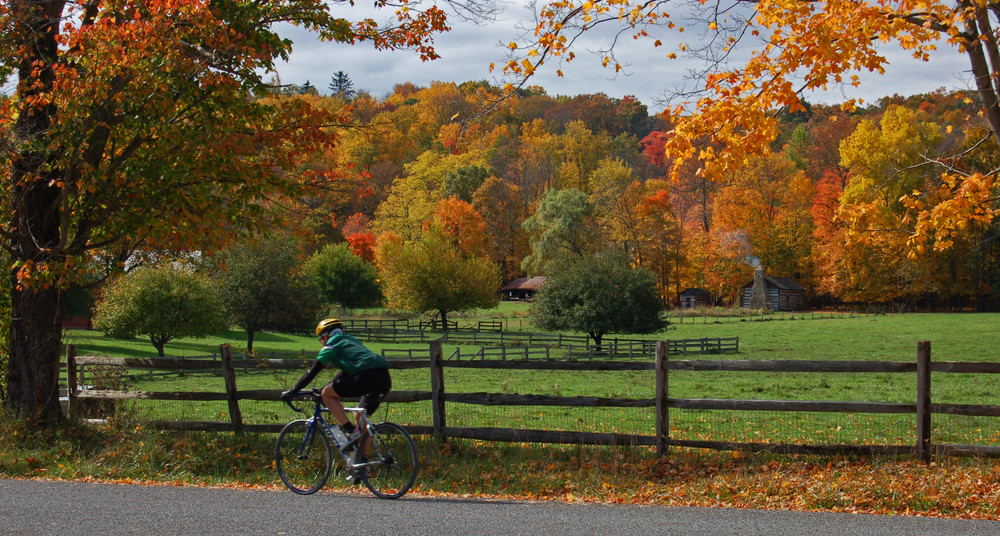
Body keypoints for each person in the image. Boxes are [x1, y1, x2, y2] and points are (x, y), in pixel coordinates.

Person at [281, 318, 392, 449]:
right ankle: (363, 465)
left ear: (325, 336)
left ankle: (350, 430)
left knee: (326, 395)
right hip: (384, 378)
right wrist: (325, 387)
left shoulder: (330, 346)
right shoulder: (350, 340)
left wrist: (294, 391)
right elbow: (345, 372)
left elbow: (312, 372)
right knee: (360, 419)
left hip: (365, 376)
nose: (321, 342)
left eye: (320, 339)